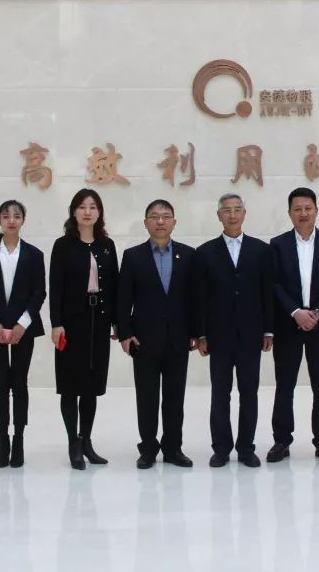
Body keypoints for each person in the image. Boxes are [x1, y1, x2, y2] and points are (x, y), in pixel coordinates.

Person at [193, 193, 275, 468]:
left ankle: (246, 448)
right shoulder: (205, 252)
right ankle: (221, 448)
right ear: (219, 216)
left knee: (249, 393)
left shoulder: (261, 250)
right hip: (219, 336)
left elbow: (267, 292)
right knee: (220, 393)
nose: (232, 215)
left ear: (244, 214)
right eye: (226, 210)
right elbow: (200, 296)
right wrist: (201, 334)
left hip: (251, 334)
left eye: (237, 210)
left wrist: (269, 330)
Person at [267, 187, 319, 463]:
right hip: (288, 325)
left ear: (316, 211)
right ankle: (281, 441)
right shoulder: (277, 245)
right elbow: (274, 282)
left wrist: (318, 312)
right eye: (297, 209)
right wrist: (296, 311)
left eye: (308, 208)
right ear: (289, 213)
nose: (303, 214)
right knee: (284, 384)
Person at [117, 199, 196, 469]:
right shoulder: (133, 256)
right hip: (144, 341)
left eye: (165, 216)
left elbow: (195, 298)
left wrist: (196, 332)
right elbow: (123, 300)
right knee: (147, 398)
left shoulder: (188, 255)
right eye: (154, 216)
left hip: (178, 339)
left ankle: (173, 448)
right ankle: (148, 449)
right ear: (145, 223)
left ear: (174, 222)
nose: (160, 221)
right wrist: (125, 334)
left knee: (175, 398)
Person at [0, 200, 46, 468]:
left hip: (23, 328)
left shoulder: (34, 255)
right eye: (6, 216)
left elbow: (39, 293)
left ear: (23, 220)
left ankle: (19, 441)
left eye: (16, 216)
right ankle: (3, 441)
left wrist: (22, 324)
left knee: (20, 383)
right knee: (1, 384)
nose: (11, 221)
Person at [49, 188, 119, 470]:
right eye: (82, 206)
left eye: (92, 206)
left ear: (99, 212)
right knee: (70, 385)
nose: (87, 212)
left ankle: (87, 441)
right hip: (71, 323)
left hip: (99, 322)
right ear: (73, 212)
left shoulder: (107, 245)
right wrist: (56, 323)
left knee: (91, 385)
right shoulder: (63, 245)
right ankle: (73, 443)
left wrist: (117, 322)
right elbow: (55, 288)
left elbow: (115, 285)